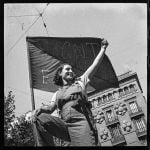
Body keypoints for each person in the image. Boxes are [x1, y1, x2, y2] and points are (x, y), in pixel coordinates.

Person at [31, 38, 109, 146]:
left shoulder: (80, 83)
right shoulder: (57, 94)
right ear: (60, 74)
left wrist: (103, 49)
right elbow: (50, 108)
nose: (71, 71)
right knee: (39, 119)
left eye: (71, 69)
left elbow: (94, 65)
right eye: (67, 69)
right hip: (65, 125)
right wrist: (39, 109)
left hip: (82, 124)